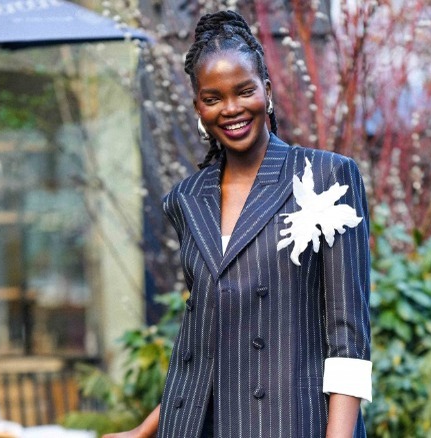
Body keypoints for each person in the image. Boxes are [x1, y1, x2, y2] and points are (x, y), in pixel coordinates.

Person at [104, 10, 371, 438]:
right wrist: (144, 430)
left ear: (266, 90)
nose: (231, 109)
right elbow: (204, 346)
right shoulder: (187, 199)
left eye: (244, 91)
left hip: (291, 424)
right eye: (213, 98)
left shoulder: (325, 176)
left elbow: (349, 339)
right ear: (198, 107)